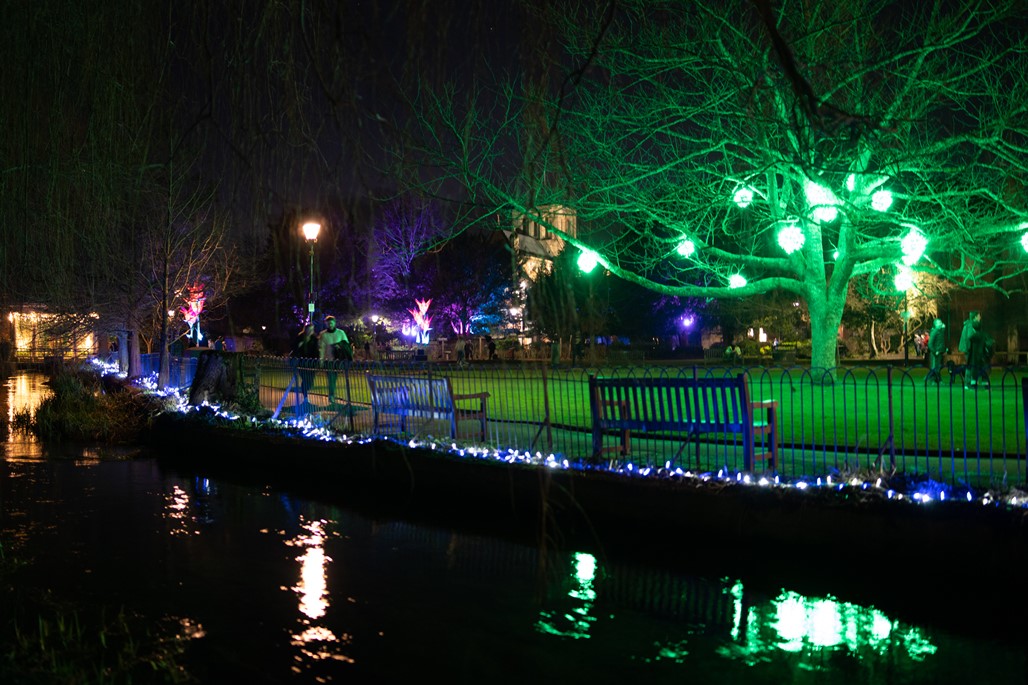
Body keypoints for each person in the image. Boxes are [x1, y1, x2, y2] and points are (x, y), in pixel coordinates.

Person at [319, 315, 350, 403]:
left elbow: (346, 344)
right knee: (331, 378)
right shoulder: (323, 334)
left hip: (338, 360)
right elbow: (322, 348)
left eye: (331, 323)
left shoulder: (341, 333)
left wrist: (339, 345)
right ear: (326, 324)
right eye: (328, 323)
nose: (330, 325)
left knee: (335, 377)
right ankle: (331, 395)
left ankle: (333, 394)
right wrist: (321, 360)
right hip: (328, 359)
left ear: (335, 323)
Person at [291, 322, 318, 403]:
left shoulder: (314, 339)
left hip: (312, 363)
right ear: (306, 330)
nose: (310, 331)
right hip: (302, 362)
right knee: (305, 379)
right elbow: (295, 348)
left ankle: (305, 392)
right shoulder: (300, 337)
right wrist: (300, 345)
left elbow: (316, 350)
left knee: (310, 381)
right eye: (309, 330)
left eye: (312, 330)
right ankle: (305, 397)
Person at [925, 318, 946, 385]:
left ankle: (934, 380)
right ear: (935, 325)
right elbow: (930, 343)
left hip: (939, 352)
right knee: (935, 367)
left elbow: (941, 334)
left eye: (941, 322)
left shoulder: (940, 331)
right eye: (939, 323)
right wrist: (934, 351)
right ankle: (934, 380)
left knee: (937, 367)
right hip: (936, 353)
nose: (940, 324)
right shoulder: (935, 332)